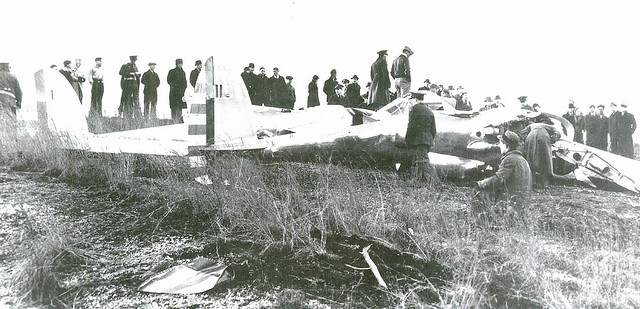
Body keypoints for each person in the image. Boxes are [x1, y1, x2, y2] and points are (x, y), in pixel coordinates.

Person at [474, 131, 532, 210]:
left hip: (511, 203)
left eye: (500, 143)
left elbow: (498, 180)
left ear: (507, 146)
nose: (499, 145)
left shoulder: (510, 159)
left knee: (478, 191)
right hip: (522, 202)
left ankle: (481, 221)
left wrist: (481, 183)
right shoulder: (521, 159)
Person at [402, 101, 437, 183]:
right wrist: (430, 139)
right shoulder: (430, 112)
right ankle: (420, 179)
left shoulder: (414, 111)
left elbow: (411, 127)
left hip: (418, 139)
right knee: (420, 160)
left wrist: (408, 140)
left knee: (422, 161)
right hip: (427, 139)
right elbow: (434, 130)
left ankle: (432, 180)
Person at [521, 120, 561, 189]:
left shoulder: (532, 125)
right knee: (545, 159)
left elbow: (522, 132)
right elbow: (558, 133)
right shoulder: (550, 126)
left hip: (531, 135)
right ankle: (544, 183)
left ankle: (531, 182)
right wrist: (552, 140)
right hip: (543, 136)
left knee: (530, 158)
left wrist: (526, 139)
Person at [119, 55, 142, 120]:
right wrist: (130, 73)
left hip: (134, 84)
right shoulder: (125, 66)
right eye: (133, 60)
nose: (133, 62)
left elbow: (137, 77)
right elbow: (121, 72)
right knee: (127, 100)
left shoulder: (135, 67)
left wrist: (137, 74)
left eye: (134, 60)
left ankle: (135, 116)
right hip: (127, 84)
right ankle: (126, 115)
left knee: (135, 100)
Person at [167, 58, 187, 123]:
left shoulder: (183, 72)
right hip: (174, 93)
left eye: (181, 63)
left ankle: (179, 120)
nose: (180, 65)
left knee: (180, 107)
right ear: (176, 64)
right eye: (179, 63)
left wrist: (183, 89)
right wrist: (175, 86)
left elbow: (185, 82)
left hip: (181, 93)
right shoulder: (172, 71)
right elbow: (169, 80)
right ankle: (174, 120)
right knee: (174, 107)